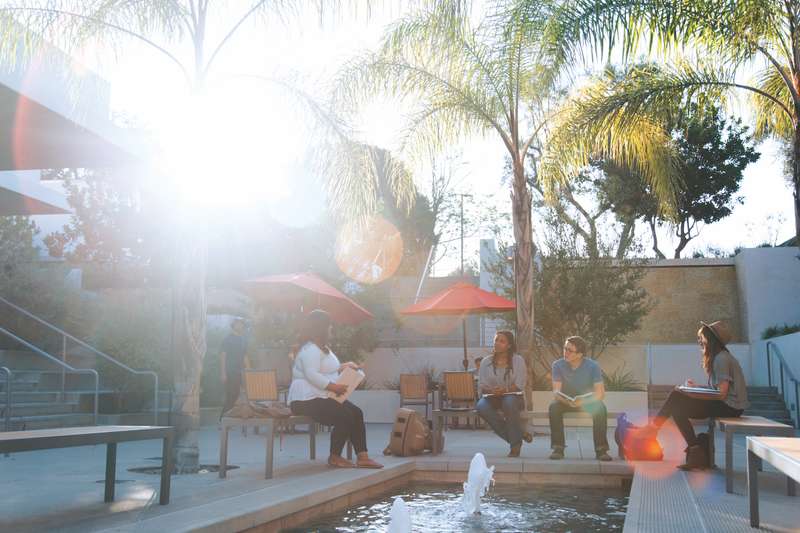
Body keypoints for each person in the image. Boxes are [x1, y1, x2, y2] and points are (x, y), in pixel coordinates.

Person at [639, 320, 749, 469]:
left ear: (710, 340)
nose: (699, 341)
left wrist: (694, 394)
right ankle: (693, 450)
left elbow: (722, 394)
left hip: (731, 407)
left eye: (701, 338)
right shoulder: (720, 357)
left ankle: (654, 429)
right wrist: (695, 389)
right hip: (728, 404)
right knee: (678, 404)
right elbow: (719, 390)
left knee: (677, 397)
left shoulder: (721, 359)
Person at [288, 309, 383, 469]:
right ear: (321, 328)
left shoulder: (322, 348)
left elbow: (327, 369)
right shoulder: (310, 350)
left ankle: (363, 456)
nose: (331, 329)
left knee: (356, 412)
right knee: (344, 415)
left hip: (321, 396)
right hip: (304, 400)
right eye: (329, 326)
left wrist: (346, 367)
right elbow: (311, 374)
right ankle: (335, 456)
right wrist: (334, 386)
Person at [549, 336, 612, 461]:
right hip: (566, 401)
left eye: (570, 350)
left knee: (600, 408)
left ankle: (601, 450)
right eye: (565, 349)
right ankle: (558, 448)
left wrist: (583, 401)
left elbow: (600, 394)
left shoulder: (593, 366)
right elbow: (556, 392)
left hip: (586, 402)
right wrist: (567, 401)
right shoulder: (557, 365)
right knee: (554, 408)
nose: (565, 353)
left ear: (580, 354)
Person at [476, 330, 532, 457]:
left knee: (509, 402)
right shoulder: (486, 361)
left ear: (509, 345)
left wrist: (505, 390)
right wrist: (491, 391)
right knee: (481, 407)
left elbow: (519, 385)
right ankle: (518, 435)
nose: (497, 343)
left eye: (502, 341)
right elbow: (482, 385)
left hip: (513, 396)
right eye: (496, 340)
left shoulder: (518, 360)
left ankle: (515, 446)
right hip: (492, 397)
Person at [220, 318, 248, 417]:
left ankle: (229, 418)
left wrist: (249, 370)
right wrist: (223, 373)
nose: (240, 325)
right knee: (231, 395)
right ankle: (223, 419)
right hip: (230, 371)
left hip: (240, 371)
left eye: (242, 324)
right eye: (238, 323)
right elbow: (223, 356)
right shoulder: (227, 339)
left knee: (237, 395)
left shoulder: (243, 340)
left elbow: (245, 356)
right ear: (233, 325)